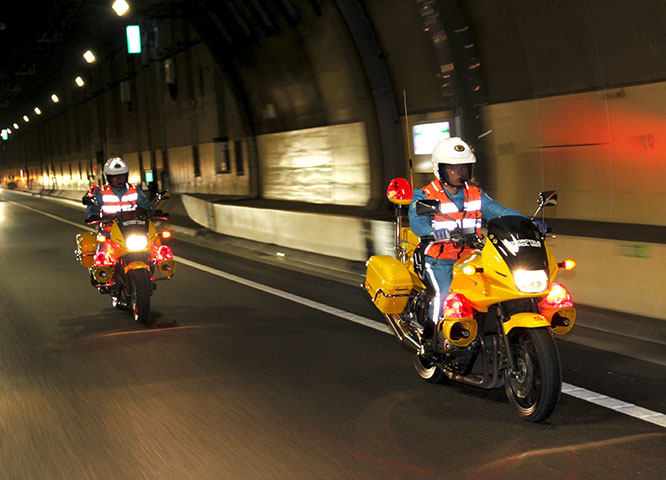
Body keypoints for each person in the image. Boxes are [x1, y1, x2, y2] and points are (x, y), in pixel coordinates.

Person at [408, 137, 524, 325]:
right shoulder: (426, 194)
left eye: (464, 167)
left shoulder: (476, 194)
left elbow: (498, 211)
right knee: (445, 295)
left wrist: (526, 222)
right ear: (441, 169)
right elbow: (417, 222)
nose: (459, 172)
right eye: (453, 168)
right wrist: (431, 232)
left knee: (496, 289)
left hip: (472, 258)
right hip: (438, 259)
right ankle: (435, 335)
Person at [85, 157, 154, 221]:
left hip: (133, 227)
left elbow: (144, 203)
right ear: (108, 178)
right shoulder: (101, 192)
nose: (119, 179)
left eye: (122, 176)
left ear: (126, 176)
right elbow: (94, 206)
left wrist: (153, 210)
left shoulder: (134, 190)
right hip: (109, 229)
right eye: (115, 177)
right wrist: (93, 215)